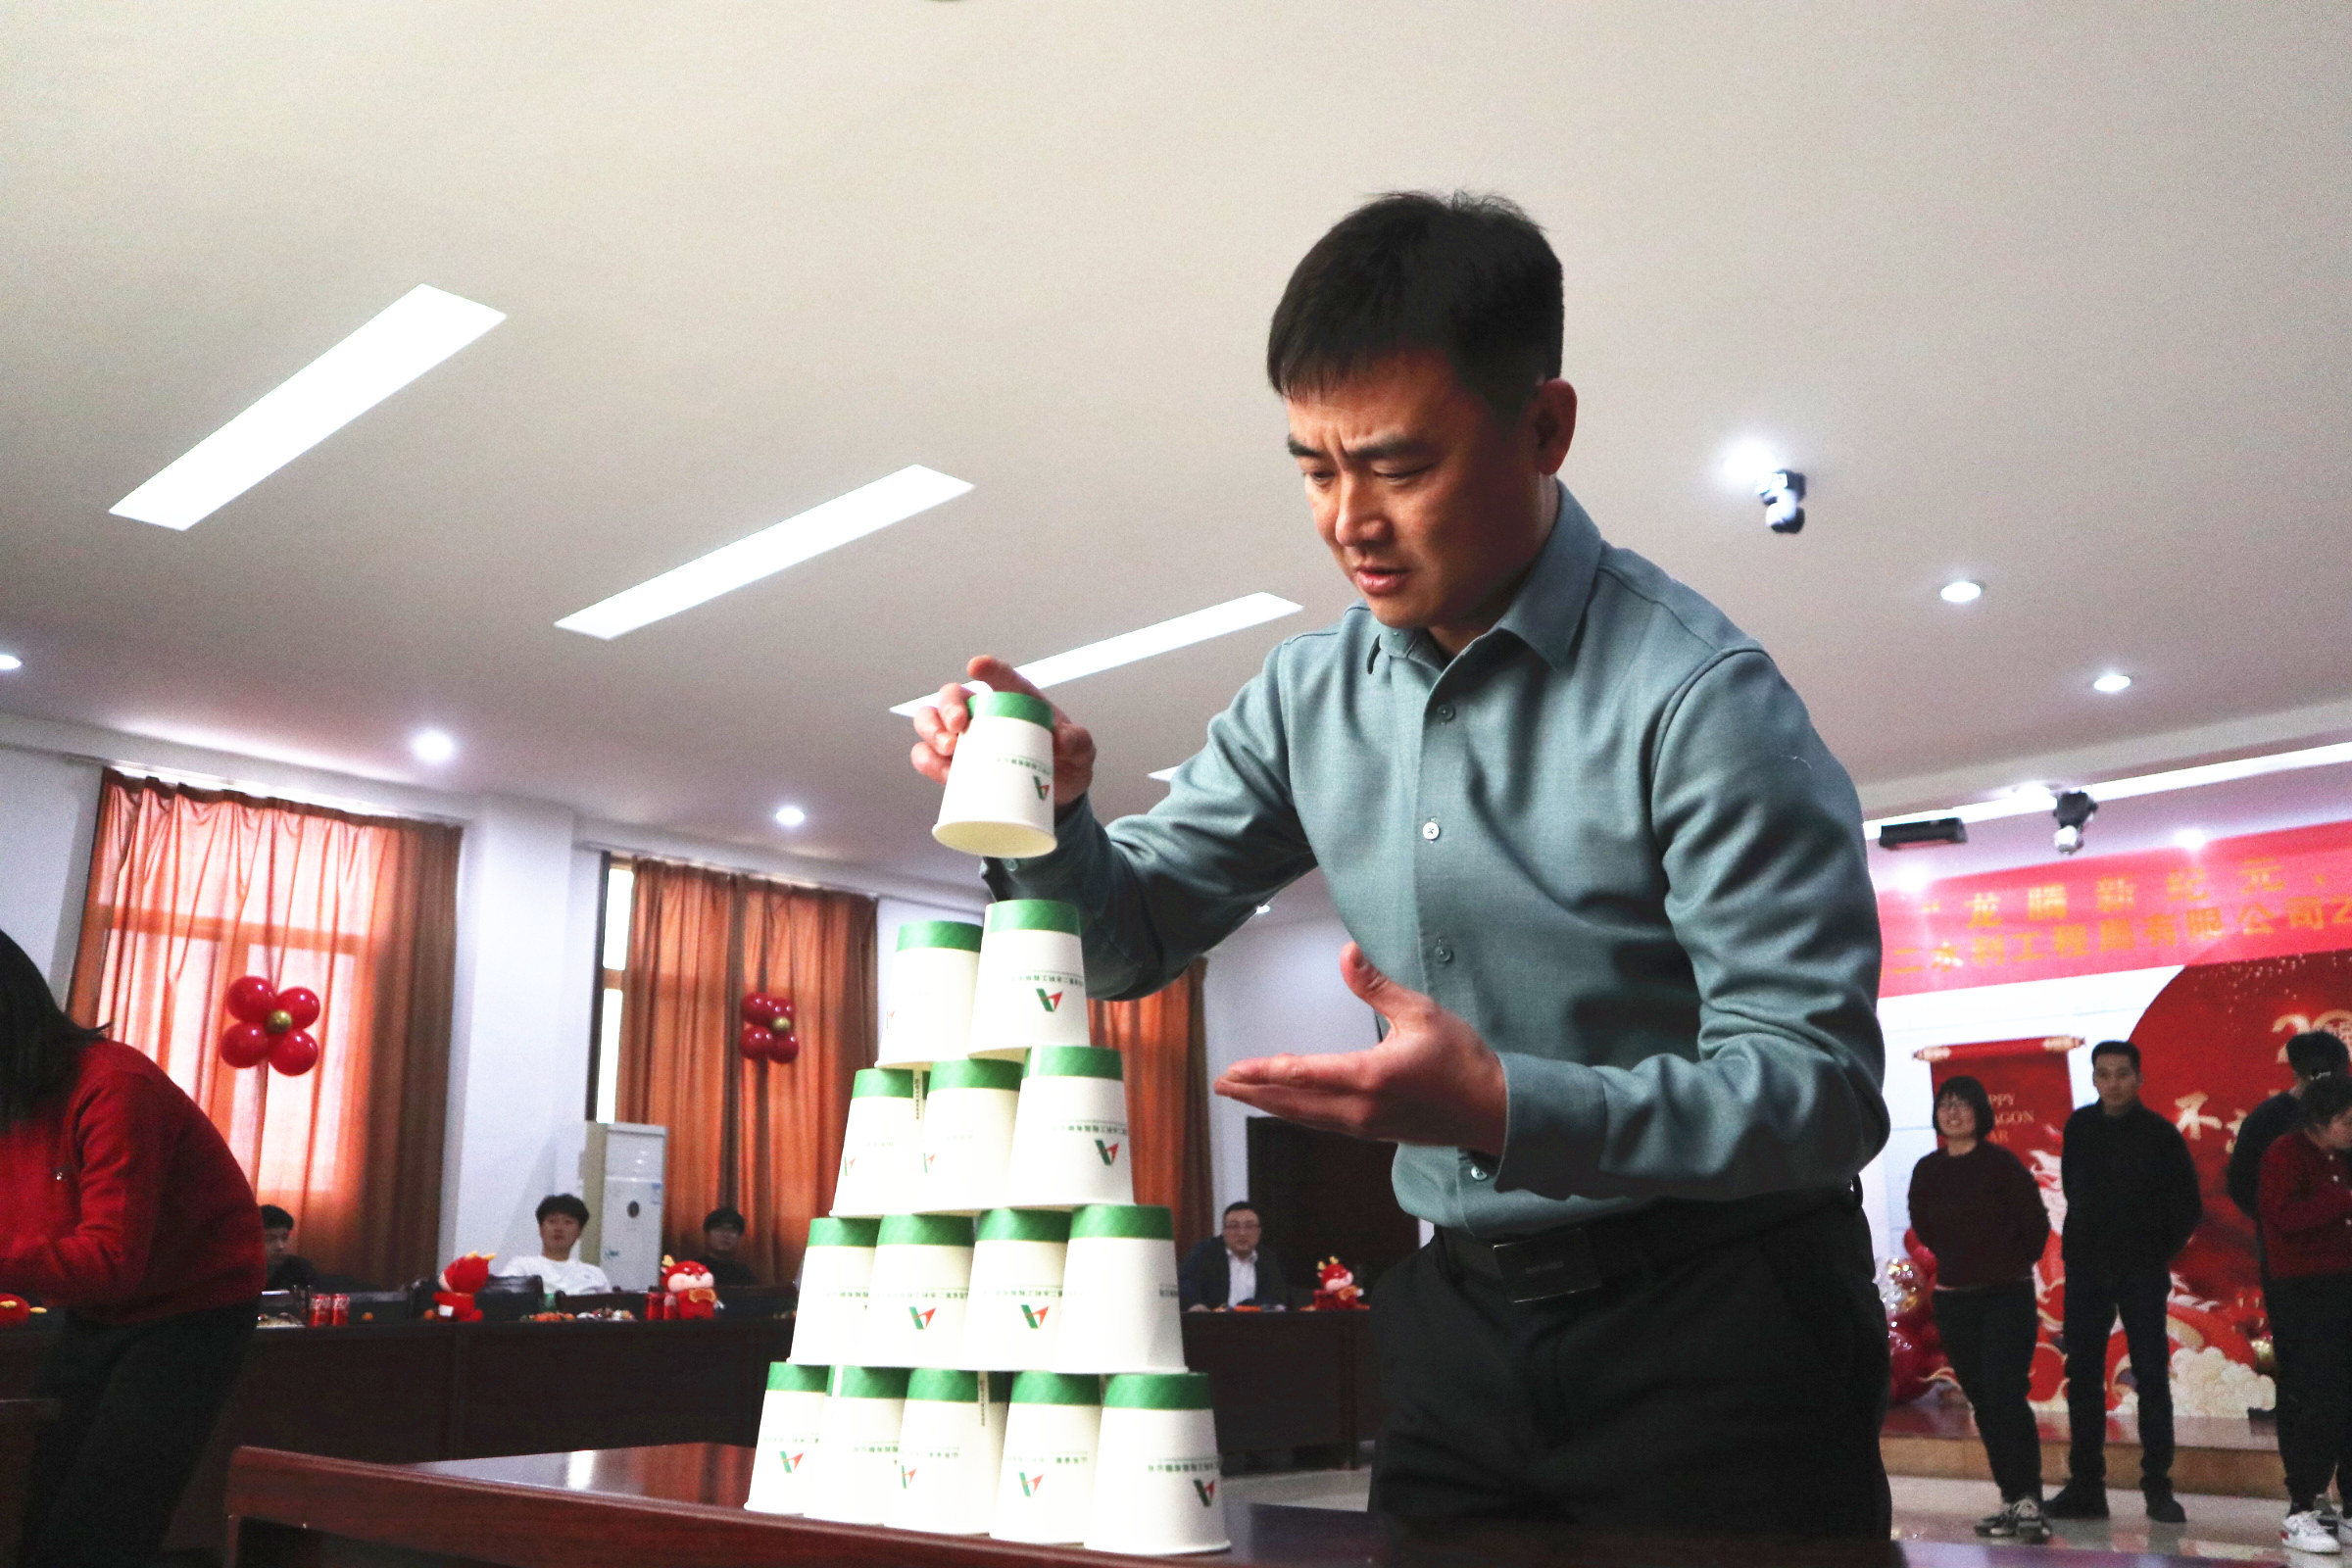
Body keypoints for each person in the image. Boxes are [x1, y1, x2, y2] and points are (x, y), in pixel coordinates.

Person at [908, 192, 1890, 1534]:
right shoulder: (1306, 697)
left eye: (1398, 467)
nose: (1347, 522)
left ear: (1544, 429)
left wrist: (1507, 1106)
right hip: (1457, 1328)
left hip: (1723, 1324)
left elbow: (1819, 1091)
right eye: (1315, 470)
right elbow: (1127, 941)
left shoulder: (1700, 700)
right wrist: (1054, 818)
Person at [0, 926, 267, 1568]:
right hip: (96, 1311)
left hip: (191, 1311)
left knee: (101, 1524)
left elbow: (111, 1263)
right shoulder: (15, 1095)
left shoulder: (114, 1086)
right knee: (34, 1507)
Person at [2046, 1039, 2201, 1523]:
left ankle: (2158, 1487)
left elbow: (2187, 1206)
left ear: (2139, 1079)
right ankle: (2087, 1488)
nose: (2112, 1083)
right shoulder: (2080, 1126)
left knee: (2151, 1377)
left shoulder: (2160, 1134)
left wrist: (2153, 1251)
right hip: (2087, 1269)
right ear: (2094, 1079)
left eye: (2122, 1074)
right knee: (2084, 1378)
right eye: (2104, 1074)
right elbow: (2074, 1190)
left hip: (2141, 1270)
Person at [1907, 1076, 2052, 1543]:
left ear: (1981, 1112)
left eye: (1963, 1104)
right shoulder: (1928, 1169)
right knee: (1984, 1403)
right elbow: (1924, 1226)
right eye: (1945, 1104)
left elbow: (2035, 1226)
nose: (1953, 1112)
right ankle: (2011, 1499)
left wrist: (2003, 1263)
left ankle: (2030, 1500)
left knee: (2006, 1395)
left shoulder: (2001, 1164)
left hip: (2006, 1295)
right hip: (1955, 1300)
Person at [2257, 1071, 2352, 1554]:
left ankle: (2348, 1508)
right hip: (2303, 1290)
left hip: (2345, 1284)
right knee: (2316, 1397)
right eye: (2346, 1121)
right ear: (2320, 1119)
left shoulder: (2344, 1156)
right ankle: (2302, 1508)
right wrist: (2343, 1201)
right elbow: (2284, 1217)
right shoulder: (2285, 1154)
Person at [2229, 1031, 2352, 1239]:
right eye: (2320, 1078)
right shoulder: (2267, 1119)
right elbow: (2243, 1184)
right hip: (2291, 1244)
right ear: (2298, 1074)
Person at [494, 1195, 612, 1297]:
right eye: (552, 1221)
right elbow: (500, 1297)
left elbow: (611, 1311)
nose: (559, 1228)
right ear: (541, 1229)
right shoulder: (522, 1266)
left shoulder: (595, 1274)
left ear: (579, 1232)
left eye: (568, 1222)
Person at [1180, 1201, 1291, 1310]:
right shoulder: (1205, 1253)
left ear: (1259, 1231)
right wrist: (1194, 1304)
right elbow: (1186, 1284)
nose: (1242, 1233)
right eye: (1234, 1226)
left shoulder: (1268, 1258)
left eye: (1249, 1226)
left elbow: (1276, 1297)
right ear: (1224, 1231)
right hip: (1212, 1320)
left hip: (1255, 1320)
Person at [260, 1203, 321, 1294]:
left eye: (284, 1238)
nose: (280, 1246)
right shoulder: (241, 1271)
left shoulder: (301, 1268)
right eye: (270, 1239)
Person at [700, 1206, 760, 1287]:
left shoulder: (744, 1274)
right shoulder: (694, 1270)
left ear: (739, 1237)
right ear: (707, 1235)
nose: (726, 1235)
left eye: (732, 1231)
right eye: (719, 1230)